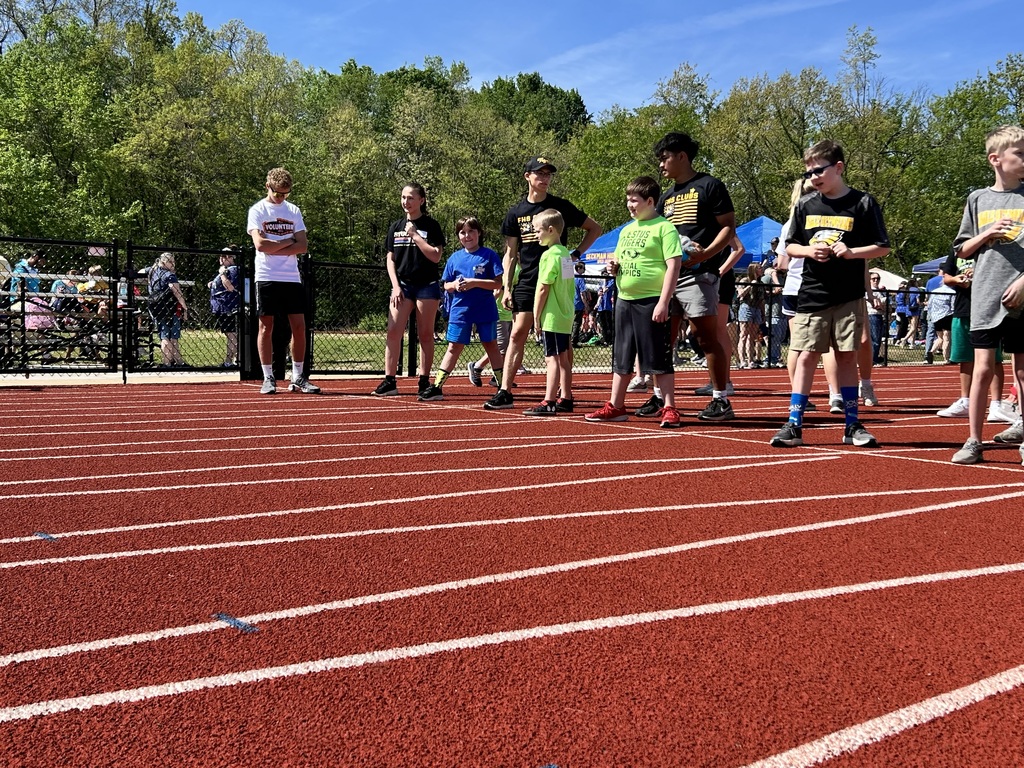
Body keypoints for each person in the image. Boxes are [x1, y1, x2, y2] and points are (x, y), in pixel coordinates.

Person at [769, 139, 890, 448]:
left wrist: (851, 252)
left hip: (848, 295)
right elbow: (790, 246)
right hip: (811, 293)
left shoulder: (863, 203)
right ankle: (794, 423)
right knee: (806, 356)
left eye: (819, 170)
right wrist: (810, 251)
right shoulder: (805, 205)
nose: (813, 177)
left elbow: (883, 247)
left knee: (846, 357)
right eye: (809, 172)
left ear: (838, 168)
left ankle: (852, 424)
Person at [484, 157, 601, 410]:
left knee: (562, 337)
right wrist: (504, 285)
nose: (545, 178)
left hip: (558, 276)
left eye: (548, 174)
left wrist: (575, 254)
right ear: (527, 176)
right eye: (540, 173)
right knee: (517, 333)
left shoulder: (560, 207)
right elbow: (511, 253)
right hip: (528, 279)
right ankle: (505, 390)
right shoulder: (516, 212)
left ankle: (563, 393)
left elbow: (595, 228)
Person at [950, 125, 1024, 464]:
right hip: (985, 295)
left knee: (1022, 368)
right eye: (1019, 153)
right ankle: (974, 440)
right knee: (982, 367)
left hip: (1021, 295)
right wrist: (987, 233)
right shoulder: (977, 199)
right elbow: (961, 249)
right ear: (995, 159)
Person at [586, 176, 683, 428]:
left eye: (634, 200)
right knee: (621, 356)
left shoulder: (665, 228)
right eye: (628, 200)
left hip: (651, 301)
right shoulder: (627, 230)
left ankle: (670, 407)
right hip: (624, 300)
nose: (630, 205)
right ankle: (616, 406)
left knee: (658, 358)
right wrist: (614, 267)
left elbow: (674, 265)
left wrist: (664, 301)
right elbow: (619, 260)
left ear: (650, 201)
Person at [655, 132, 737, 422]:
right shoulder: (665, 197)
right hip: (669, 277)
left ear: (682, 156)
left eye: (664, 158)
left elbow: (728, 227)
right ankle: (660, 398)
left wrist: (705, 255)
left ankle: (721, 399)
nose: (661, 165)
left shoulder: (710, 185)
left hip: (699, 275)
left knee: (705, 337)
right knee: (663, 338)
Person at [247, 166, 320, 394]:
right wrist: (288, 243)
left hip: (291, 277)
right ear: (268, 186)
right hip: (267, 275)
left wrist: (276, 246)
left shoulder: (293, 211)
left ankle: (298, 376)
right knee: (266, 326)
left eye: (286, 194)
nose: (282, 198)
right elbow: (260, 245)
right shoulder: (257, 210)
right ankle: (268, 377)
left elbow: (303, 245)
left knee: (299, 326)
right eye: (278, 193)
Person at [372, 182, 446, 397]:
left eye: (411, 198)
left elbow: (435, 255)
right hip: (402, 286)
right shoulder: (395, 226)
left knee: (425, 334)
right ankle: (389, 380)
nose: (406, 202)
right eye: (403, 197)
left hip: (426, 286)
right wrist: (395, 286)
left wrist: (415, 236)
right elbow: (390, 258)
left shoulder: (431, 226)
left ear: (421, 200)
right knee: (393, 332)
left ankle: (424, 381)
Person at [418, 216, 504, 401]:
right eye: (462, 232)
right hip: (460, 310)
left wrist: (474, 282)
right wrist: (455, 285)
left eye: (471, 231)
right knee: (453, 347)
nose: (467, 236)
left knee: (491, 346)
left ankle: (503, 388)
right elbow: (446, 285)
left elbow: (497, 284)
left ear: (479, 233)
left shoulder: (489, 255)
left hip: (485, 309)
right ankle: (437, 386)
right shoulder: (454, 258)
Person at [936, 251, 1010, 422]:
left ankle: (996, 404)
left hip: (988, 309)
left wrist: (979, 274)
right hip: (963, 309)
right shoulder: (957, 251)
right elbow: (947, 278)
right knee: (965, 358)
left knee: (994, 359)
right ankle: (965, 401)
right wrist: (958, 279)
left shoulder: (992, 248)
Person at [522, 209, 576, 415]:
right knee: (563, 357)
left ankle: (549, 400)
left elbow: (543, 287)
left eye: (538, 231)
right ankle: (566, 397)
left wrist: (536, 316)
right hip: (565, 314)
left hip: (552, 316)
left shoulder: (549, 255)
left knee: (551, 357)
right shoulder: (566, 255)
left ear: (551, 230)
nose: (536, 235)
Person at [147, 252, 189, 368]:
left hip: (156, 307)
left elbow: (141, 271)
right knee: (170, 335)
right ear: (164, 262)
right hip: (169, 307)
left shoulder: (153, 271)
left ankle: (172, 361)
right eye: (171, 261)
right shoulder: (169, 275)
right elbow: (177, 291)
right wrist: (185, 307)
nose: (173, 264)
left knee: (164, 334)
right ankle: (169, 362)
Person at [209, 246, 241, 368]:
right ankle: (232, 360)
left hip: (227, 307)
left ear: (232, 258)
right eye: (221, 256)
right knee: (230, 334)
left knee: (231, 334)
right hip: (221, 307)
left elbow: (230, 287)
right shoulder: (225, 270)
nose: (222, 259)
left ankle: (230, 361)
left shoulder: (232, 270)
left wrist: (222, 274)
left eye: (226, 256)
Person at [736, 262, 764, 369]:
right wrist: (750, 285)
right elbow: (740, 294)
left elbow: (762, 300)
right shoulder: (744, 281)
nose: (761, 270)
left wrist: (763, 313)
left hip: (756, 308)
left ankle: (750, 360)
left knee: (752, 337)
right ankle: (742, 360)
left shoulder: (760, 283)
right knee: (743, 335)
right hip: (746, 307)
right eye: (759, 268)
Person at [571, 260, 590, 347]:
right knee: (576, 323)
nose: (584, 270)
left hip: (570, 303)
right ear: (579, 268)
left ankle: (568, 340)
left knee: (570, 323)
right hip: (578, 303)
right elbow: (582, 293)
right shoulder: (580, 278)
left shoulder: (571, 277)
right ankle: (573, 341)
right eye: (583, 268)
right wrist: (586, 305)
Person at [596, 267, 616, 347]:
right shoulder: (601, 283)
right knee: (603, 324)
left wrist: (604, 286)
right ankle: (605, 340)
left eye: (605, 273)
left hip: (608, 307)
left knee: (609, 324)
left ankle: (611, 340)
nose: (604, 275)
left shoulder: (611, 281)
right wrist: (599, 292)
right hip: (601, 307)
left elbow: (607, 289)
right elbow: (599, 291)